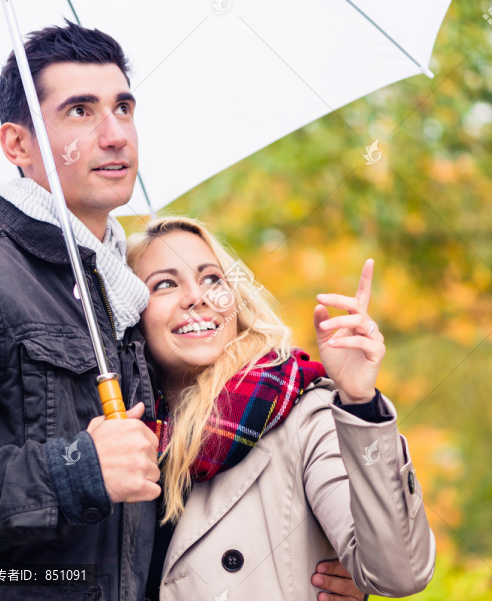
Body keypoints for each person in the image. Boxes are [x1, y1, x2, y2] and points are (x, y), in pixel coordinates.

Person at [0, 19, 368, 601]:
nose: (115, 134)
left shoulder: (126, 292)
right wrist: (75, 472)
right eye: (80, 111)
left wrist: (302, 564)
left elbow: (162, 504)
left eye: (123, 107)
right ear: (17, 144)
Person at [120, 216, 436, 600]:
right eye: (165, 284)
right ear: (131, 314)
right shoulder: (122, 445)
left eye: (211, 278)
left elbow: (399, 571)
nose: (197, 297)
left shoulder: (303, 414)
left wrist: (359, 404)